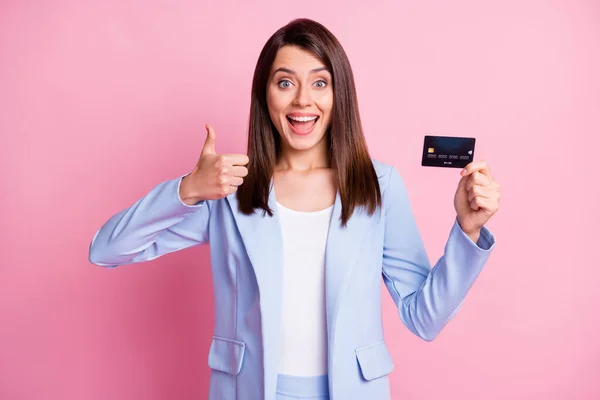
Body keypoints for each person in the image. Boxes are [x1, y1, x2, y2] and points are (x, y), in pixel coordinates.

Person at [89, 18, 500, 400]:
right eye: (285, 83)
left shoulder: (378, 186)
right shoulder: (229, 188)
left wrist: (467, 231)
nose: (303, 100)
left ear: (340, 94)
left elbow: (424, 318)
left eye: (320, 83)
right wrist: (187, 189)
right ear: (264, 94)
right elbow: (107, 249)